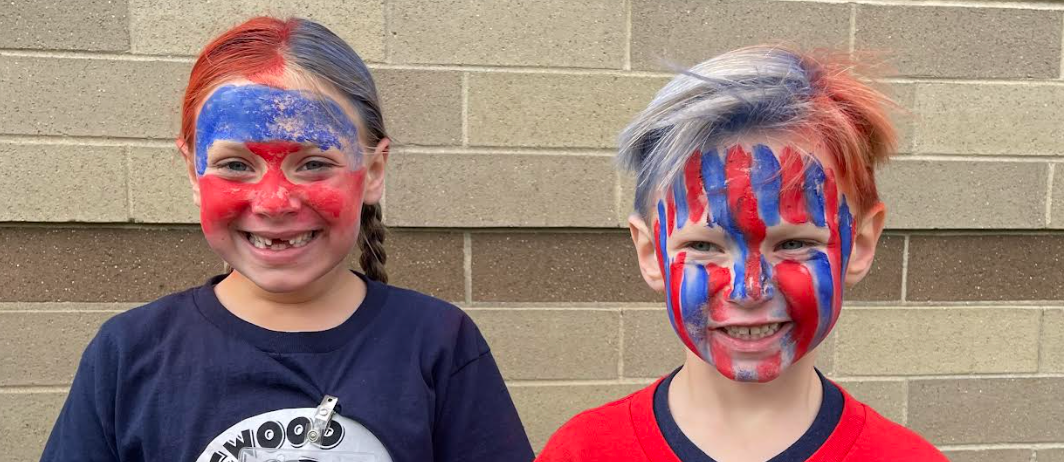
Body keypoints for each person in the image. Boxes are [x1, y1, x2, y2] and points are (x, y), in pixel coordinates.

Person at [41, 16, 533, 462]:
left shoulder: (439, 343)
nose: (274, 202)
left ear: (375, 171)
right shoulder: (128, 354)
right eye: (236, 165)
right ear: (193, 172)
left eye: (315, 163)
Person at [536, 46, 947, 461]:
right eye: (703, 246)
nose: (749, 290)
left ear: (859, 245)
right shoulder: (580, 452)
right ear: (649, 252)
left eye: (794, 243)